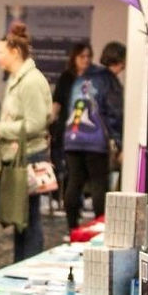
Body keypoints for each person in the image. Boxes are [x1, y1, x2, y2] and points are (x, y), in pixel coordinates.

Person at [0, 21, 53, 260]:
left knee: (29, 217)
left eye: (0, 52)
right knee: (21, 217)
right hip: (19, 156)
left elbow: (36, 123)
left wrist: (0, 129)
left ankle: (30, 265)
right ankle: (21, 264)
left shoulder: (31, 81)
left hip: (29, 156)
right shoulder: (18, 79)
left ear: (15, 52)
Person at [62, 42, 124, 230]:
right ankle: (100, 228)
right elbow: (114, 113)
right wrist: (119, 143)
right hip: (95, 139)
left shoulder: (82, 78)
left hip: (72, 136)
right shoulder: (109, 80)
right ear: (120, 62)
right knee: (99, 183)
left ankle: (71, 228)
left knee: (74, 182)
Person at [50, 42, 93, 206]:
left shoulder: (92, 78)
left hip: (86, 129)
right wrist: (50, 122)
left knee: (81, 168)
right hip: (67, 128)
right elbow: (57, 103)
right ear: (74, 58)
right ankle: (60, 197)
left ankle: (78, 197)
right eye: (82, 56)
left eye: (88, 56)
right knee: (66, 165)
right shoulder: (66, 77)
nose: (86, 60)